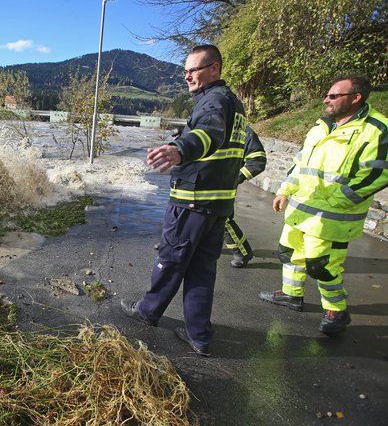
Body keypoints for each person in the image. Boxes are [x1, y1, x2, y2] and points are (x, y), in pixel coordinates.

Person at [120, 44, 248, 356]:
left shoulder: (213, 100)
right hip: (218, 205)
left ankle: (148, 311)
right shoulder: (235, 103)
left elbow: (207, 134)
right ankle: (199, 335)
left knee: (171, 260)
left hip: (193, 201)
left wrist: (180, 150)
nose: (188, 76)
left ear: (214, 69)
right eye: (186, 71)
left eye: (195, 70)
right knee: (202, 271)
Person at [260, 75, 387, 335]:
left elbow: (376, 175)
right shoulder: (320, 127)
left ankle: (336, 311)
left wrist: (336, 201)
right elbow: (300, 163)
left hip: (333, 217)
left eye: (333, 96)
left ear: (356, 97)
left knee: (322, 265)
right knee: (289, 253)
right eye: (327, 95)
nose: (326, 99)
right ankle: (291, 295)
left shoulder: (376, 129)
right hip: (301, 211)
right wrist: (285, 190)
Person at [225, 125, 267, 268]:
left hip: (223, 187)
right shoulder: (205, 124)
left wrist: (235, 178)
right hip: (196, 183)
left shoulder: (242, 131)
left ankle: (242, 252)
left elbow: (258, 160)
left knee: (223, 220)